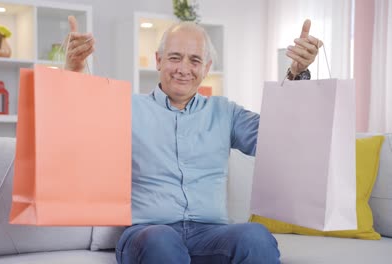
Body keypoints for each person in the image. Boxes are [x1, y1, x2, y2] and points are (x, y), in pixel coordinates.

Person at [65, 16, 322, 264]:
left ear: (206, 68)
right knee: (161, 240)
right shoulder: (127, 108)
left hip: (210, 236)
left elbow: (279, 138)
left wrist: (297, 75)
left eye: (194, 60)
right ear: (158, 60)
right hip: (148, 234)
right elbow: (75, 128)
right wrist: (74, 74)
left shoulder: (225, 112)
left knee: (255, 237)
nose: (183, 69)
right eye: (175, 57)